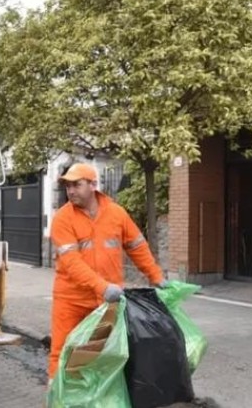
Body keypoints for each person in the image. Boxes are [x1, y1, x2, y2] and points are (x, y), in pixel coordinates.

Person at [48, 163, 167, 382]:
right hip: (72, 300)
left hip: (107, 303)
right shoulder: (63, 219)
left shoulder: (116, 214)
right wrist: (103, 287)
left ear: (93, 185)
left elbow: (137, 246)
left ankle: (94, 399)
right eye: (68, 186)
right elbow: (72, 263)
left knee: (99, 355)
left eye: (76, 184)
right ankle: (58, 400)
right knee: (64, 353)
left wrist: (156, 276)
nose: (71, 191)